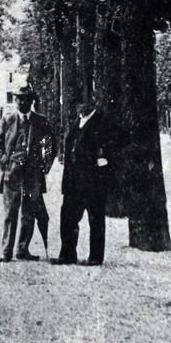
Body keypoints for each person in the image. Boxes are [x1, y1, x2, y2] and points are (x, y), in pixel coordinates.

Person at [51, 100, 119, 267]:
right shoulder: (76, 122)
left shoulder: (103, 122)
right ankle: (67, 254)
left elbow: (119, 140)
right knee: (67, 216)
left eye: (84, 103)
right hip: (74, 181)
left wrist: (104, 157)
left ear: (93, 104)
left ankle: (95, 257)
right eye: (79, 104)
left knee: (95, 219)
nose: (80, 106)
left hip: (93, 181)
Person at [0, 85, 56, 262]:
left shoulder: (41, 121)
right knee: (10, 213)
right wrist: (5, 163)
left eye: (26, 99)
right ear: (15, 100)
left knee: (29, 212)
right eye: (19, 99)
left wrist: (44, 167)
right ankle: (6, 251)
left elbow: (50, 146)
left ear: (32, 101)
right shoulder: (7, 120)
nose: (22, 102)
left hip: (32, 175)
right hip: (11, 174)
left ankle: (22, 249)